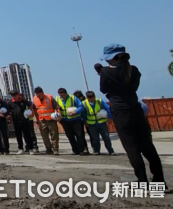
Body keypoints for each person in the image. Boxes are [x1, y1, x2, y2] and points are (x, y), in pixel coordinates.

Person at [99, 44, 168, 189]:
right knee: (148, 147)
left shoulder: (106, 72)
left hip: (120, 112)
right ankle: (159, 181)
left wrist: (102, 74)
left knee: (132, 149)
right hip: (135, 109)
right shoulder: (134, 70)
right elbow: (133, 87)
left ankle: (143, 182)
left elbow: (104, 89)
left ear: (110, 59)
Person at [55, 88, 87, 155]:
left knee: (79, 135)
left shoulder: (73, 98)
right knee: (70, 136)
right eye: (61, 95)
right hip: (65, 120)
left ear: (66, 93)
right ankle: (75, 150)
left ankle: (81, 150)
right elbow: (55, 108)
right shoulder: (57, 99)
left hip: (76, 119)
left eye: (63, 95)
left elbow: (81, 107)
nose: (62, 97)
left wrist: (75, 112)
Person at [82, 91, 115, 155]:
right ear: (86, 97)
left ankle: (110, 150)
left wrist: (109, 117)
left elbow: (108, 108)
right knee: (95, 138)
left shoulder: (100, 101)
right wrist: (85, 121)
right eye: (89, 98)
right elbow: (83, 114)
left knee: (106, 137)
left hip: (102, 122)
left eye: (92, 97)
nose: (91, 99)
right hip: (91, 124)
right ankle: (96, 151)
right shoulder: (84, 103)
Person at [32, 87, 61, 155]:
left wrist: (59, 115)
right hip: (41, 120)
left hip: (51, 119)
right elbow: (34, 110)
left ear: (42, 93)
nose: (38, 96)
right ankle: (48, 148)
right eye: (36, 94)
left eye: (39, 94)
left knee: (54, 134)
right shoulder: (34, 99)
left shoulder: (50, 97)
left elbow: (57, 107)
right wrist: (36, 120)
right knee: (44, 136)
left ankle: (55, 149)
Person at [8, 90, 35, 155]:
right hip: (16, 121)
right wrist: (10, 120)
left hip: (24, 120)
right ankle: (20, 148)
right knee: (18, 135)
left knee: (27, 135)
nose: (14, 97)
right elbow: (9, 112)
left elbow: (31, 107)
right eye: (12, 95)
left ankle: (30, 148)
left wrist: (32, 114)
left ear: (18, 95)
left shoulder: (24, 101)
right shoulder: (10, 102)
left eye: (15, 95)